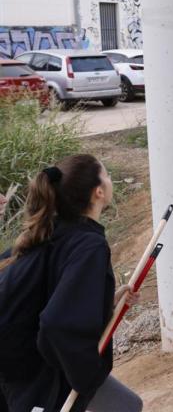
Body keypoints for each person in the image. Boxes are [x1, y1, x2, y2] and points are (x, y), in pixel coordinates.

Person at [0, 155, 143, 412]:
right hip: (33, 376)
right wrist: (87, 377)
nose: (110, 180)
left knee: (126, 406)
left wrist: (105, 302)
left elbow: (53, 297)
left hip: (26, 362)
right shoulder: (88, 244)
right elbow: (56, 324)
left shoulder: (54, 231)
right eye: (107, 174)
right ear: (98, 192)